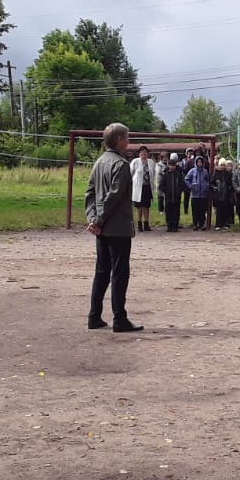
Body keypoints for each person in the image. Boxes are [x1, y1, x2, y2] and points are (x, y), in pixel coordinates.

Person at [84, 122, 141, 333]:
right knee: (119, 273)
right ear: (118, 140)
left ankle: (94, 316)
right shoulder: (121, 164)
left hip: (102, 229)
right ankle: (119, 319)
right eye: (127, 137)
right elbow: (114, 197)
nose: (129, 141)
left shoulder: (99, 162)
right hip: (117, 228)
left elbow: (90, 193)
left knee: (101, 271)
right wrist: (98, 221)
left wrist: (93, 219)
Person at [130, 145, 158, 232]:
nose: (144, 155)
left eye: (145, 153)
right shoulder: (135, 162)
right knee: (139, 207)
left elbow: (153, 174)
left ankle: (146, 223)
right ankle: (139, 224)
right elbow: (130, 173)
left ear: (147, 154)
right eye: (142, 153)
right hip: (138, 187)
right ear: (139, 154)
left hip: (147, 187)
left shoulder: (151, 162)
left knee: (146, 206)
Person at [158, 153, 185, 232]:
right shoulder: (165, 175)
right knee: (168, 212)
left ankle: (175, 226)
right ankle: (169, 226)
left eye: (173, 165)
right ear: (168, 165)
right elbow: (161, 186)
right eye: (170, 165)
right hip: (168, 198)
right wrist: (166, 191)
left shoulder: (178, 175)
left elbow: (182, 185)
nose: (172, 166)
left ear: (175, 166)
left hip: (177, 198)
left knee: (176, 212)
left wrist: (179, 191)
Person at [186, 155, 211, 230]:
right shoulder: (192, 171)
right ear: (196, 163)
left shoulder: (205, 171)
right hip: (194, 195)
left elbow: (207, 180)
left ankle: (201, 224)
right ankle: (195, 224)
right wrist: (190, 186)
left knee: (202, 210)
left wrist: (206, 186)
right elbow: (186, 179)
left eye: (201, 162)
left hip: (203, 195)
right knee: (195, 210)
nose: (199, 164)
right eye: (198, 162)